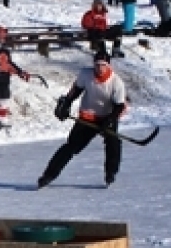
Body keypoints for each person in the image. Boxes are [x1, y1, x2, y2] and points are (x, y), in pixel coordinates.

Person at [38, 50, 127, 189]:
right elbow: (75, 91)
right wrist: (66, 103)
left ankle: (110, 173)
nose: (99, 68)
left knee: (113, 143)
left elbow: (119, 107)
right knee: (70, 147)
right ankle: (48, 175)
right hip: (87, 117)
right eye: (97, 65)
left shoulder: (116, 83)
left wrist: (110, 120)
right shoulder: (86, 74)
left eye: (103, 65)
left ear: (109, 66)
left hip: (107, 117)